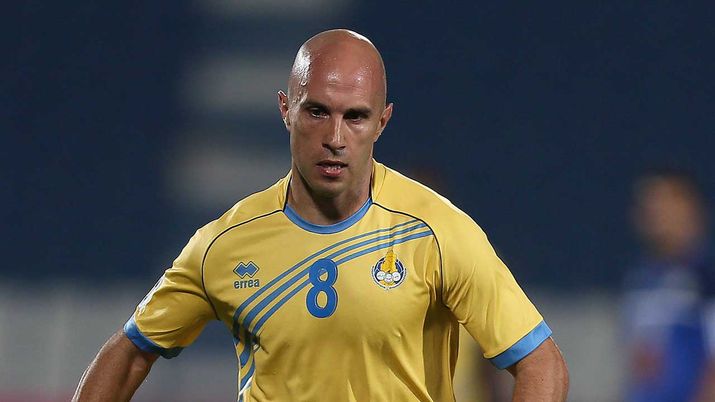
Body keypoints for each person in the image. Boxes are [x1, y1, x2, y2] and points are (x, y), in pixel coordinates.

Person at [73, 29, 569, 401]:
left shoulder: (436, 231)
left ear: (382, 121)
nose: (335, 137)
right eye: (317, 111)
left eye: (355, 117)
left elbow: (541, 364)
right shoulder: (223, 244)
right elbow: (131, 353)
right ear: (285, 110)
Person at [623, 168, 715, 402]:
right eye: (649, 203)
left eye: (666, 202)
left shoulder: (706, 276)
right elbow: (641, 362)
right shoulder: (640, 279)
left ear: (690, 208)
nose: (655, 212)